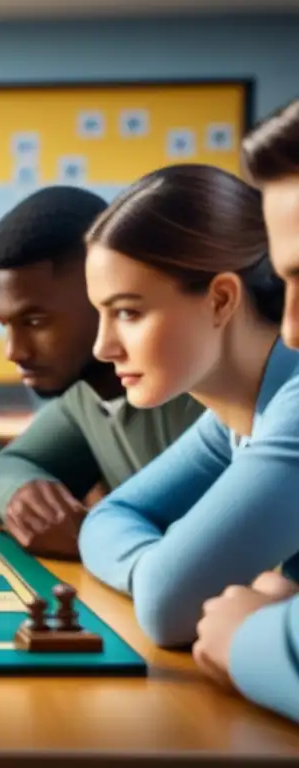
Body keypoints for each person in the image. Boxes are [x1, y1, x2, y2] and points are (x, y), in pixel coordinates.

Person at [77, 164, 299, 655]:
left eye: (128, 312)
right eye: (101, 313)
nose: (102, 346)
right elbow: (109, 516)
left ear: (220, 300)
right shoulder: (232, 419)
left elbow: (167, 608)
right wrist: (158, 565)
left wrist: (172, 576)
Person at [0, 187, 205, 558]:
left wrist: (100, 535)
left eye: (35, 321)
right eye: (4, 323)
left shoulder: (205, 394)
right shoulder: (85, 398)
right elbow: (6, 467)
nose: (13, 351)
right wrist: (23, 495)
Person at [189, 99, 299, 724]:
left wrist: (255, 638)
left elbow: (169, 598)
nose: (294, 330)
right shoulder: (225, 418)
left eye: (127, 310)